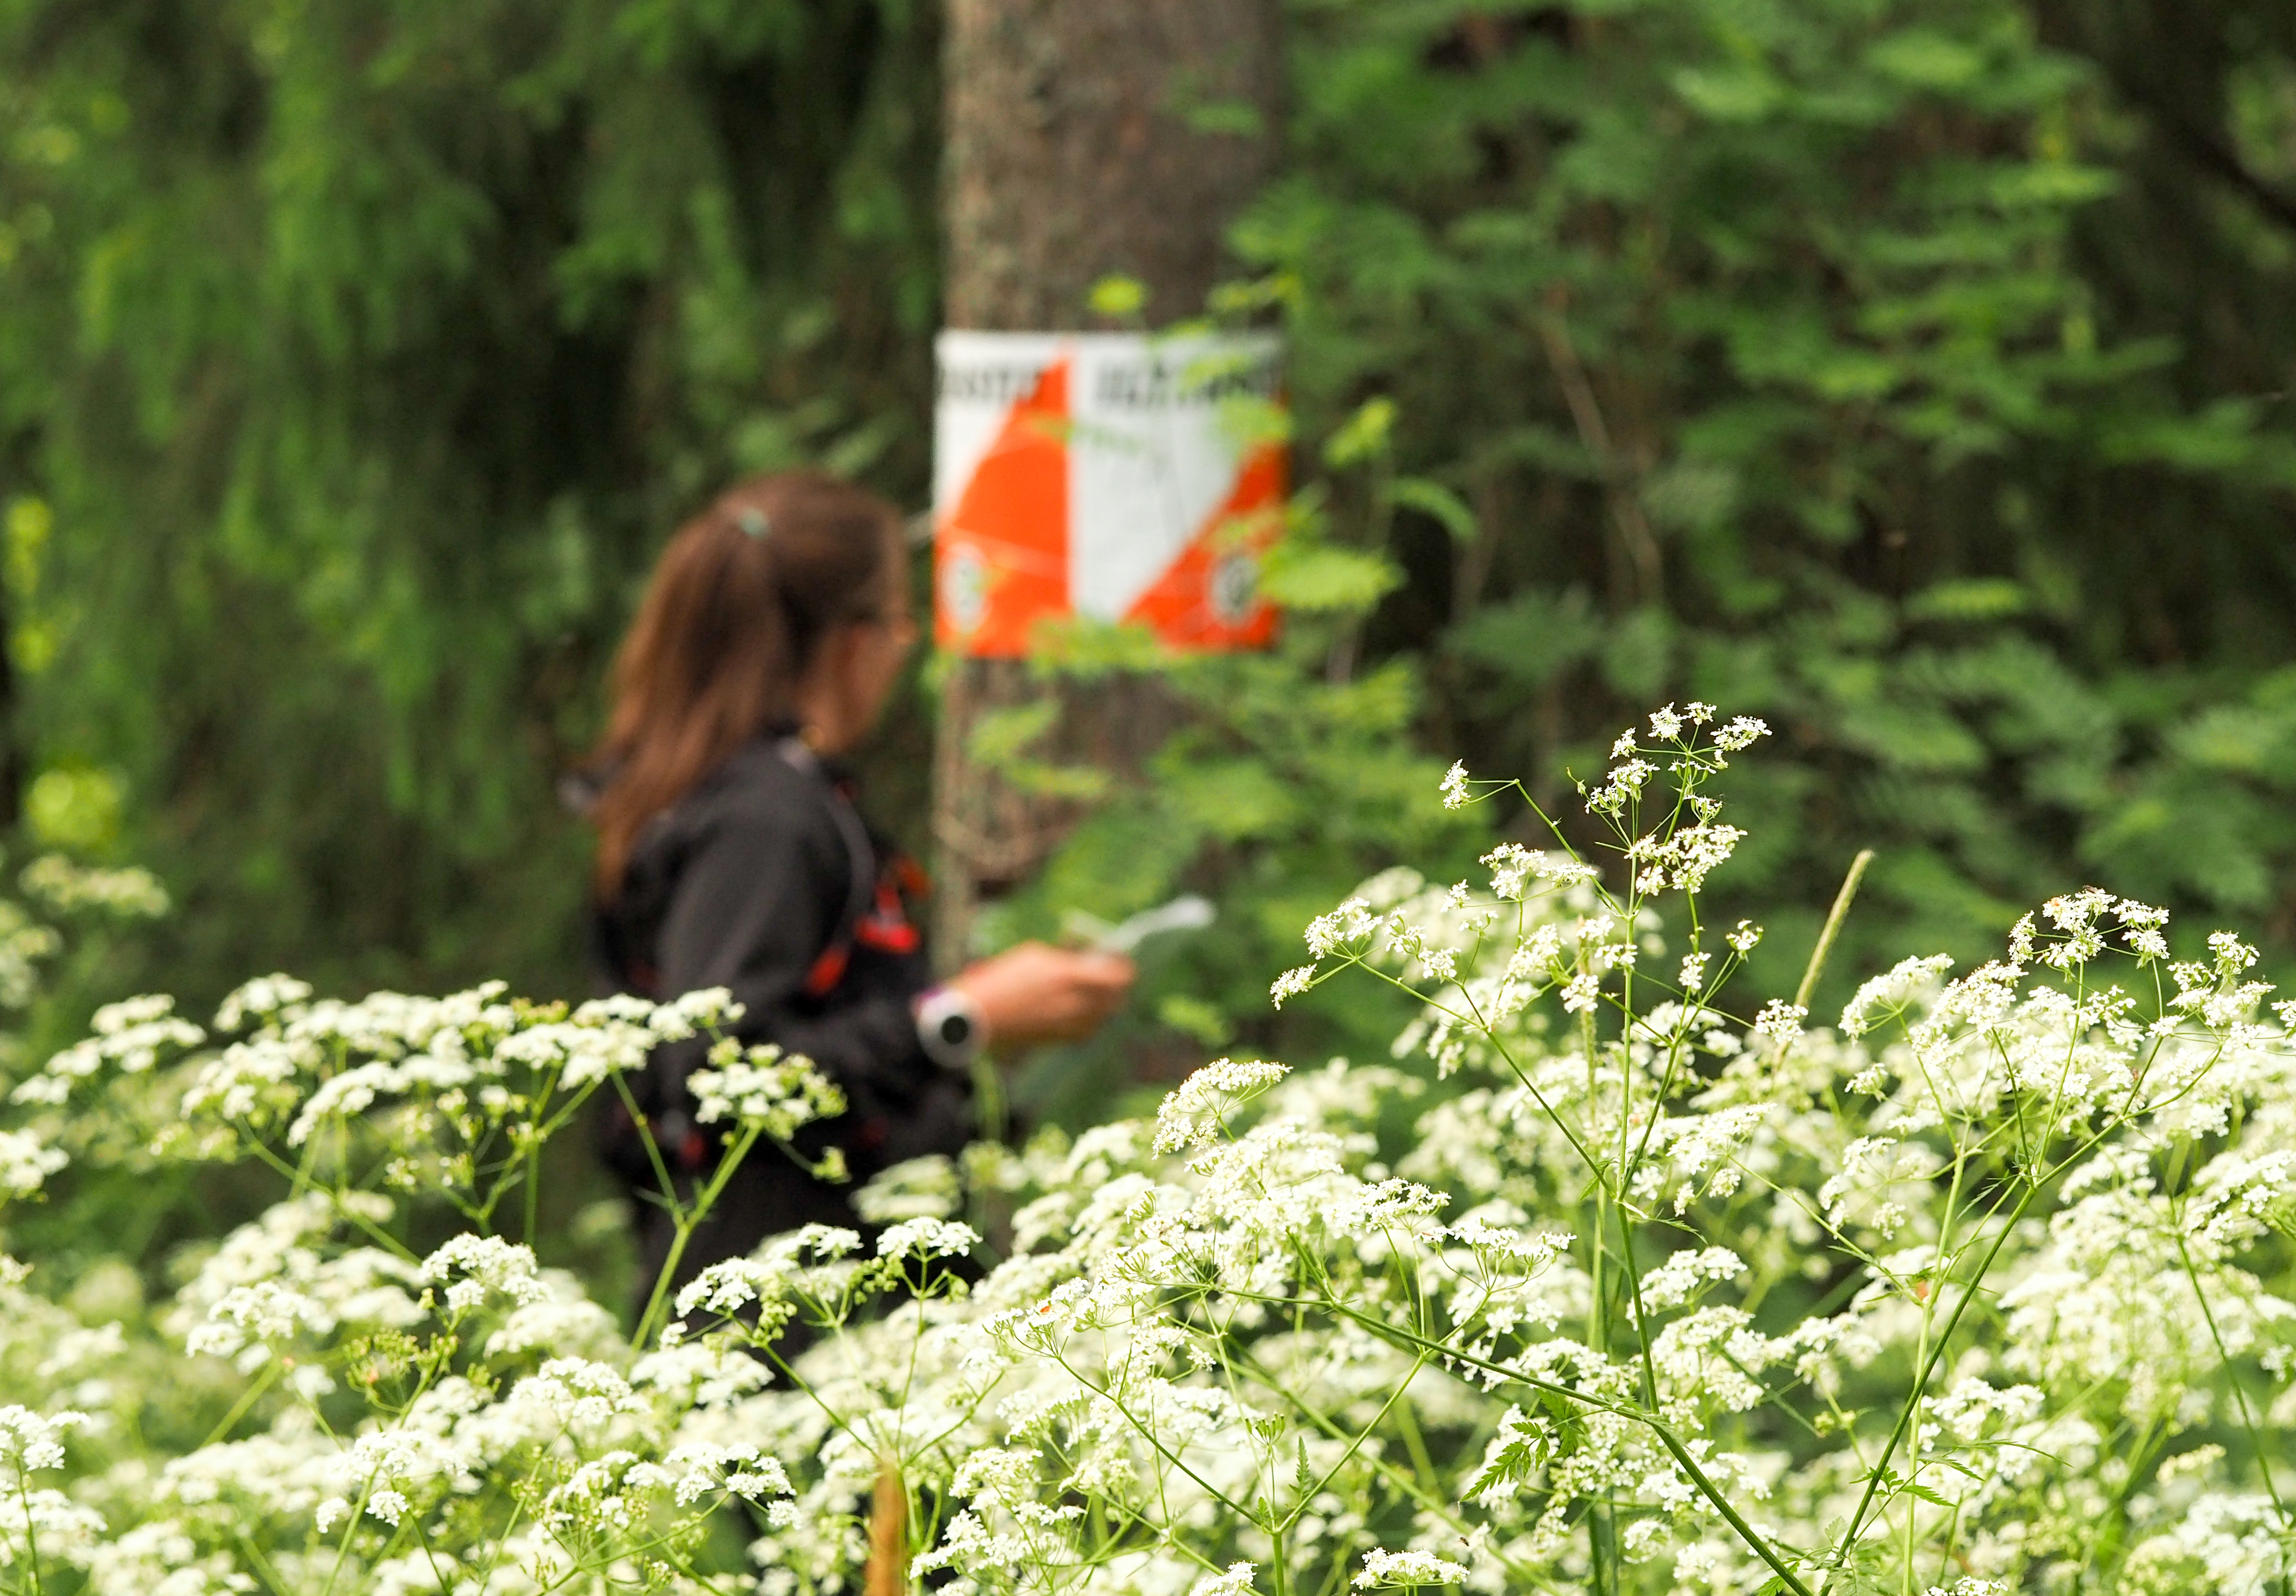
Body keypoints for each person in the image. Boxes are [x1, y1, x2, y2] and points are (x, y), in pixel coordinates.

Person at [579, 470, 1134, 1298]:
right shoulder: (764, 820)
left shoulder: (746, 791)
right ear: (852, 641)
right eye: (901, 620)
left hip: (824, 1286)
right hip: (781, 1304)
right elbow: (715, 1074)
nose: (906, 647)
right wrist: (957, 1021)